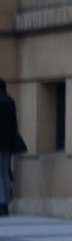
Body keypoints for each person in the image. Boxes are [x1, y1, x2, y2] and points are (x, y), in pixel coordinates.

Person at [0, 79, 26, 216]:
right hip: (8, 144)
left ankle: (2, 204)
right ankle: (5, 204)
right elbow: (14, 124)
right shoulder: (10, 102)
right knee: (4, 173)